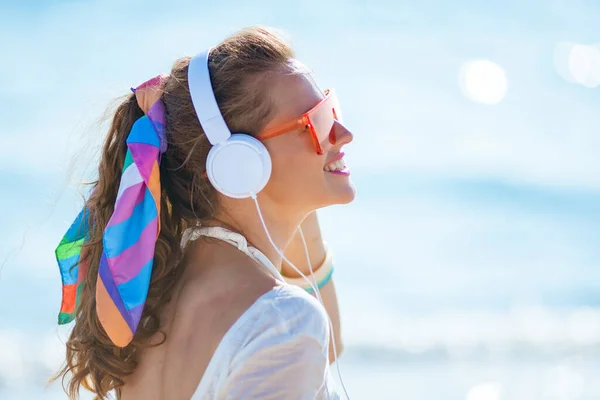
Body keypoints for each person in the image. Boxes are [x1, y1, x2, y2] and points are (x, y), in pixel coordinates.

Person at [53, 26, 355, 399]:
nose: (342, 133)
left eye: (331, 108)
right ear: (240, 163)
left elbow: (328, 351)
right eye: (315, 122)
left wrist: (300, 208)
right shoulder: (283, 322)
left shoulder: (151, 307)